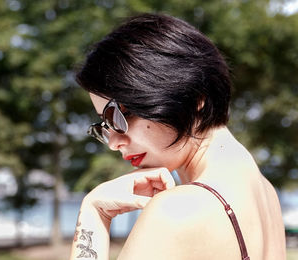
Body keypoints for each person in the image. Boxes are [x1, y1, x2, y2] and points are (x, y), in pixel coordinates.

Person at [69, 13, 286, 260]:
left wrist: (94, 213)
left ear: (194, 96)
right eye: (105, 124)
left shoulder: (177, 211)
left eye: (119, 115)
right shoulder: (265, 193)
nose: (113, 142)